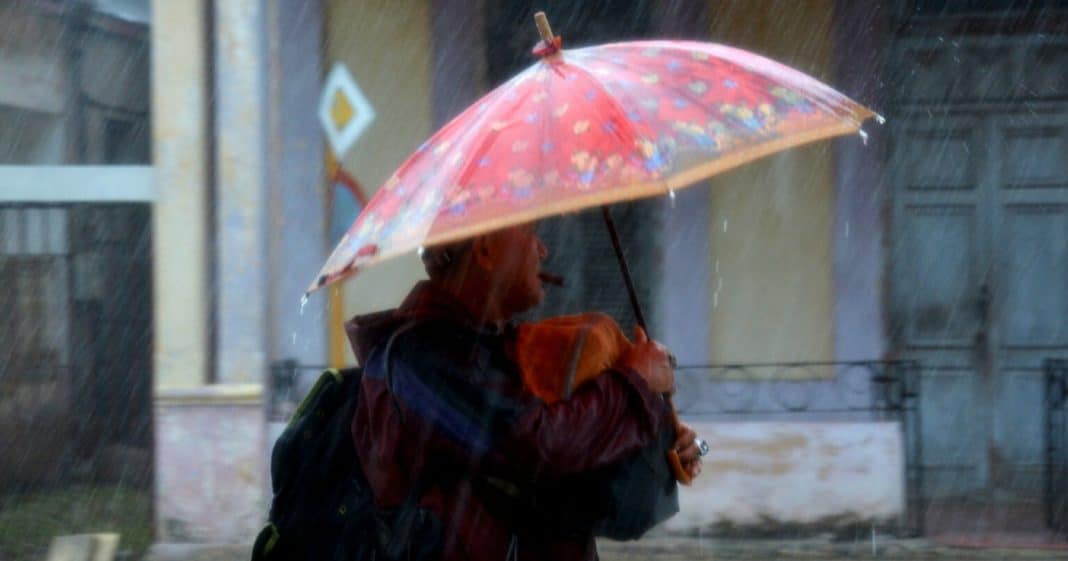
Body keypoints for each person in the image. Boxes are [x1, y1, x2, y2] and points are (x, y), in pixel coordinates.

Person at [347, 221, 701, 560]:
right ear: (485, 249)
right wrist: (634, 386)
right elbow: (537, 447)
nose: (543, 249)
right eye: (531, 233)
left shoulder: (494, 346)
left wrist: (659, 430)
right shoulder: (423, 359)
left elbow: (582, 461)